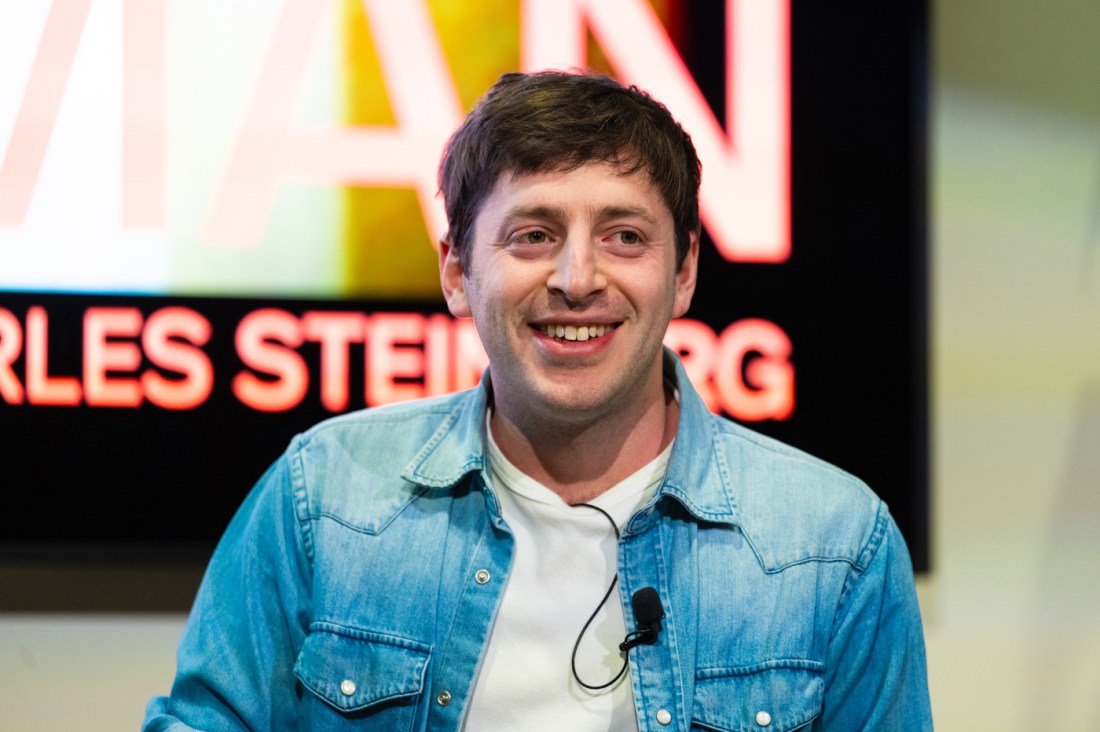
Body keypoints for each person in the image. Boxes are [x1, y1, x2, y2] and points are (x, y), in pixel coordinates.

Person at [144, 70, 932, 731]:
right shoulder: (326, 494)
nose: (578, 279)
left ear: (685, 271)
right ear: (457, 270)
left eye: (625, 236)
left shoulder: (834, 542)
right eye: (533, 235)